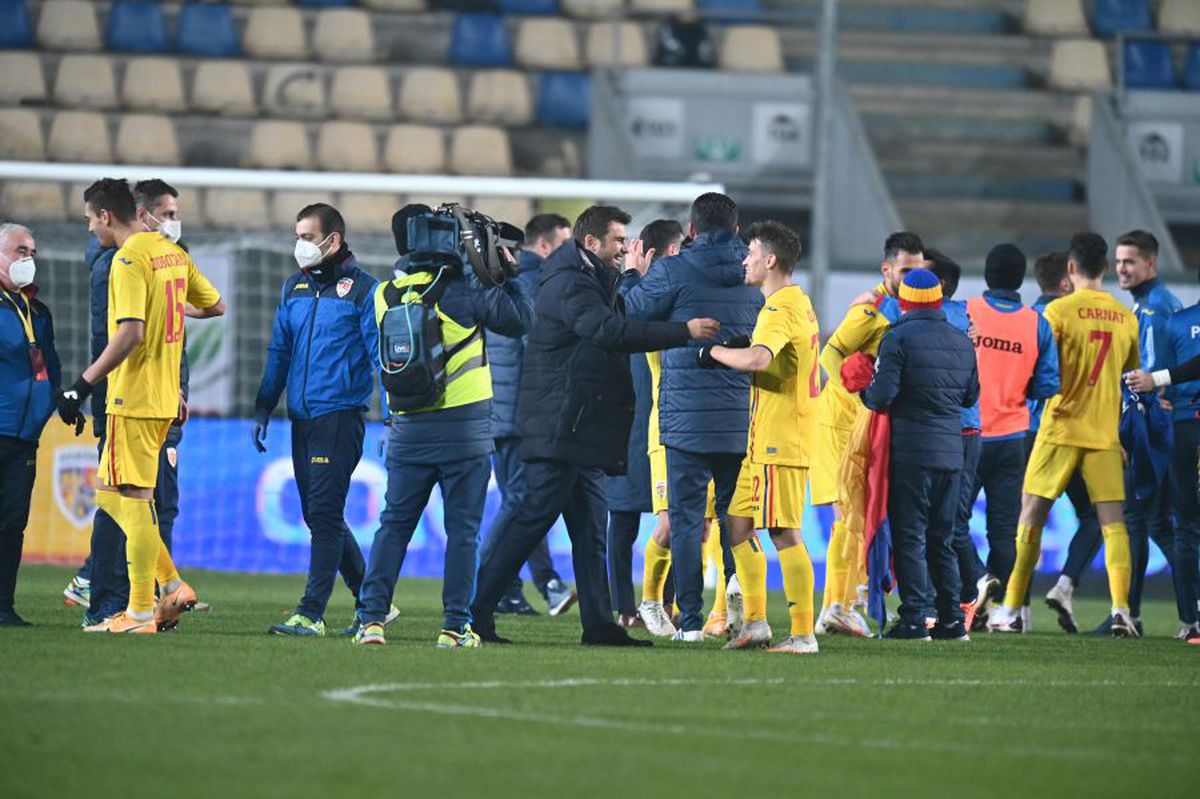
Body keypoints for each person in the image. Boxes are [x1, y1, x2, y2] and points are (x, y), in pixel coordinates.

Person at [470, 205, 719, 646]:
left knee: (589, 529)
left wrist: (638, 284)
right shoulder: (570, 284)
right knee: (531, 519)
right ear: (592, 244)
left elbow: (622, 316)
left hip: (580, 425)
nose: (626, 248)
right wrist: (684, 331)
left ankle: (599, 624)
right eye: (619, 240)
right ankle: (476, 613)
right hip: (561, 423)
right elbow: (611, 331)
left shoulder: (591, 278)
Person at [355, 211, 534, 648]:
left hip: (408, 427)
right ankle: (455, 626)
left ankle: (372, 620)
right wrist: (501, 273)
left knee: (393, 525)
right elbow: (522, 319)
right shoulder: (464, 292)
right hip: (465, 428)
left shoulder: (383, 294)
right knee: (464, 532)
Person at [56, 178, 225, 634]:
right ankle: (170, 585)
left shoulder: (128, 258)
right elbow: (216, 307)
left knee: (131, 499)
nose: (92, 229)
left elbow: (129, 333)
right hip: (167, 398)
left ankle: (138, 612)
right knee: (112, 495)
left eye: (92, 220)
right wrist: (171, 309)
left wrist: (82, 385)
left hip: (132, 398)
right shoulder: (172, 252)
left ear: (106, 216)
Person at [623, 192, 760, 642]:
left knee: (684, 521)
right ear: (737, 231)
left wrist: (633, 277)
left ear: (692, 230)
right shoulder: (755, 272)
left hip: (684, 418)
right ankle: (742, 605)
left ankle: (692, 622)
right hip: (741, 415)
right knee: (732, 518)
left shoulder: (673, 269)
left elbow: (630, 314)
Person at [988, 232, 1139, 637]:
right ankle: (1122, 609)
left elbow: (1040, 371)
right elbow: (1129, 378)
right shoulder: (1127, 317)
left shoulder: (1057, 313)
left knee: (1031, 517)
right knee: (1113, 525)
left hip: (1059, 426)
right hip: (1104, 432)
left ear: (1071, 269)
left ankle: (1012, 609)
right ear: (1105, 268)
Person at [253, 203, 383, 637]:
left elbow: (380, 354)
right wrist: (264, 403)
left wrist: (396, 411)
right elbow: (279, 351)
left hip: (340, 417)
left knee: (325, 515)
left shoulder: (365, 291)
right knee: (317, 514)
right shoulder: (294, 288)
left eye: (308, 237)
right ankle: (371, 604)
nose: (300, 245)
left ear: (334, 241)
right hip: (301, 416)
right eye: (298, 236)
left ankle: (311, 613)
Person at [700, 221, 821, 654]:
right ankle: (754, 623)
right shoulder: (797, 302)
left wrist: (712, 352)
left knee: (784, 531)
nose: (744, 260)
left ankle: (804, 633)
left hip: (780, 438)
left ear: (770, 261)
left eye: (751, 253)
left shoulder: (778, 309)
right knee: (736, 524)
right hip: (765, 437)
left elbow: (757, 358)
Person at [813, 232, 925, 636]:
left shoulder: (902, 308)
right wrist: (855, 392)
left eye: (919, 271)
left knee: (854, 520)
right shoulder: (870, 309)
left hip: (866, 426)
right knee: (849, 519)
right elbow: (829, 353)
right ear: (887, 270)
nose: (913, 278)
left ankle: (837, 606)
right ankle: (840, 604)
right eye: (906, 271)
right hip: (843, 424)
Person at [859, 268, 979, 640]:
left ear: (905, 301)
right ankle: (952, 620)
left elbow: (881, 397)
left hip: (911, 451)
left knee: (910, 536)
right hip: (951, 453)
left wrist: (861, 387)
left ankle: (914, 618)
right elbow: (969, 397)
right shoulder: (961, 341)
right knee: (942, 538)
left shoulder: (899, 338)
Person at [481, 213, 576, 617]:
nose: (571, 252)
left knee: (522, 500)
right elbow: (539, 350)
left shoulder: (502, 281)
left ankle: (516, 588)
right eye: (565, 243)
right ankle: (486, 580)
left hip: (500, 412)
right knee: (523, 500)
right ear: (543, 246)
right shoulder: (536, 285)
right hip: (522, 413)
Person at [962, 243, 1060, 631]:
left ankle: (977, 579)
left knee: (950, 520)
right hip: (1013, 437)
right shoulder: (1036, 322)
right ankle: (992, 600)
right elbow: (1049, 383)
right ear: (1020, 278)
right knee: (1004, 530)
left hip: (968, 432)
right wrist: (1018, 388)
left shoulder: (967, 312)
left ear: (987, 275)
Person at [1096, 230, 1181, 635]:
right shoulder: (1155, 304)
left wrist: (1138, 425)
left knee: (1145, 521)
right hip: (1157, 424)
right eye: (1118, 262)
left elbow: (1150, 375)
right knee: (1153, 521)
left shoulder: (1154, 310)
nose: (1121, 269)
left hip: (1150, 425)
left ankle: (1131, 612)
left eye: (1130, 261)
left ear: (1151, 263)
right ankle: (1132, 613)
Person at [606, 219, 679, 629]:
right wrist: (632, 276)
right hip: (632, 421)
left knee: (671, 519)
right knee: (624, 517)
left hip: (661, 420)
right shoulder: (624, 292)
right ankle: (626, 608)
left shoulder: (672, 295)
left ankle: (663, 602)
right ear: (659, 254)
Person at [1125, 290, 1200, 644]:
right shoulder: (1174, 319)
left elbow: (1172, 371)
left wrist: (1159, 384)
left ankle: (1191, 620)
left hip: (1186, 428)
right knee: (1181, 523)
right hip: (1184, 427)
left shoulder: (1177, 321)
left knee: (1185, 524)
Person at [1032, 252, 1102, 633]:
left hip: (1025, 435)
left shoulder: (1026, 319)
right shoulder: (1075, 322)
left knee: (1023, 520)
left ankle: (1013, 611)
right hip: (1074, 432)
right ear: (1066, 283)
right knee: (1096, 515)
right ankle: (1065, 584)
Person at [0, 223, 59, 626]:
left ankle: (4, 607)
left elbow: (49, 364)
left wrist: (57, 403)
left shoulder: (38, 311)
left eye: (32, 253)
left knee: (12, 524)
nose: (28, 260)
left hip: (24, 437)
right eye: (21, 251)